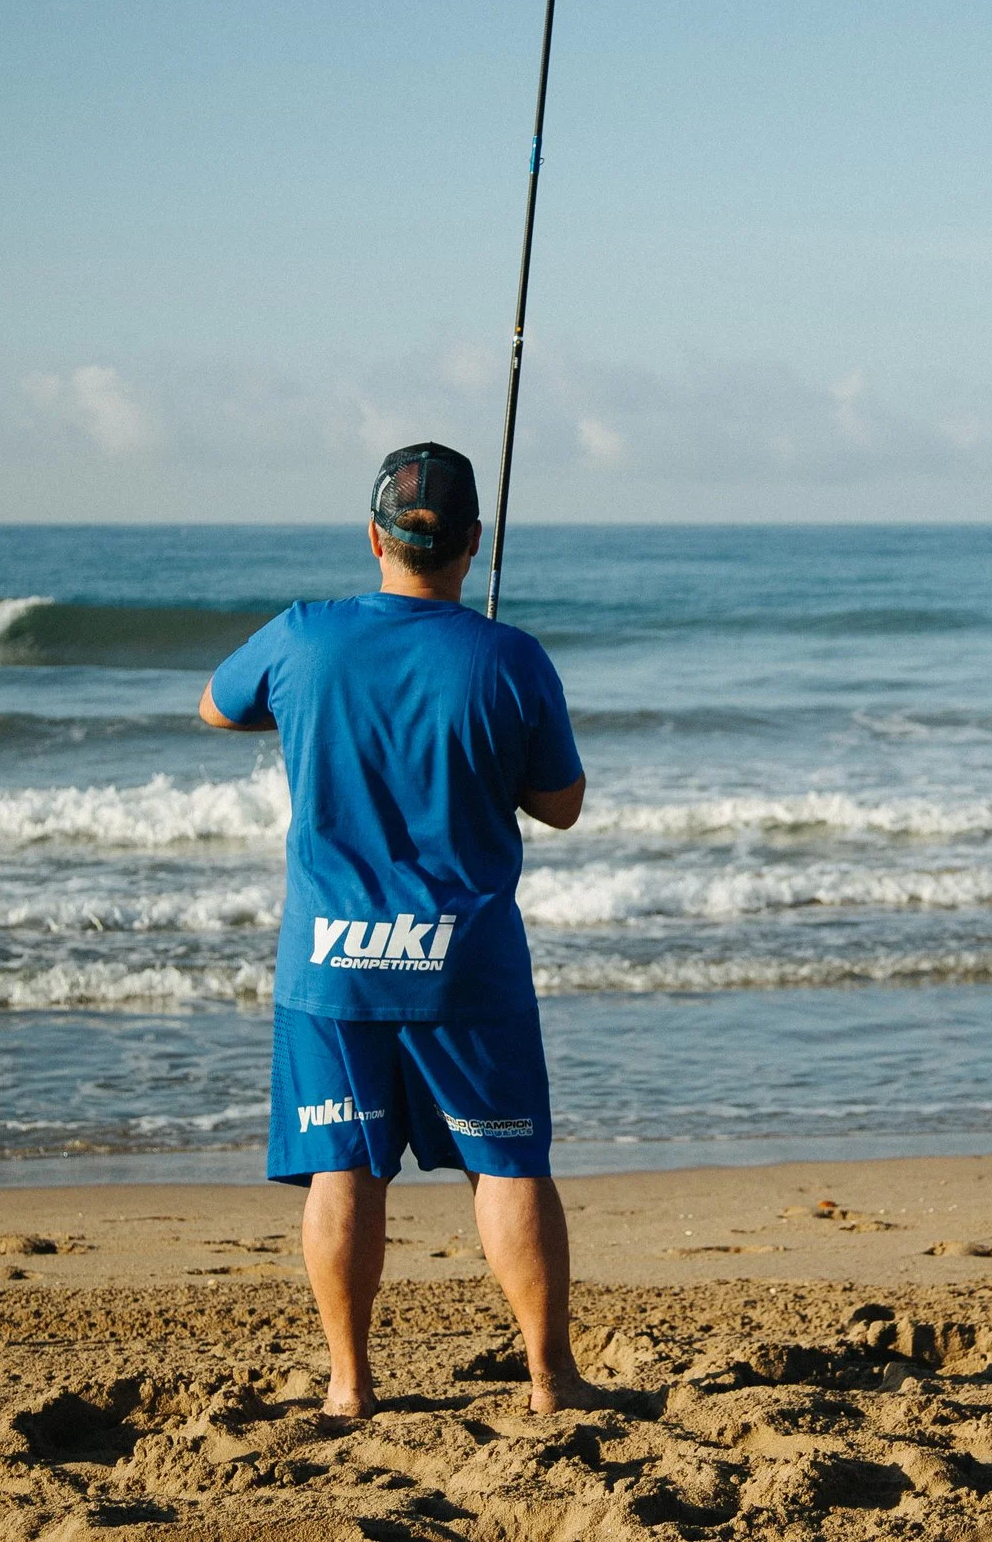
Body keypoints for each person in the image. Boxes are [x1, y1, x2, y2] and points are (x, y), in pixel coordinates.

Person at [200, 441, 594, 1417]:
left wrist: (311, 712)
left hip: (333, 965)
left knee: (342, 1167)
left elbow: (216, 705)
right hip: (464, 965)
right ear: (471, 543)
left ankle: (349, 1383)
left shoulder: (301, 639)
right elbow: (562, 803)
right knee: (507, 1163)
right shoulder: (508, 656)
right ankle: (550, 1379)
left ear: (373, 536)